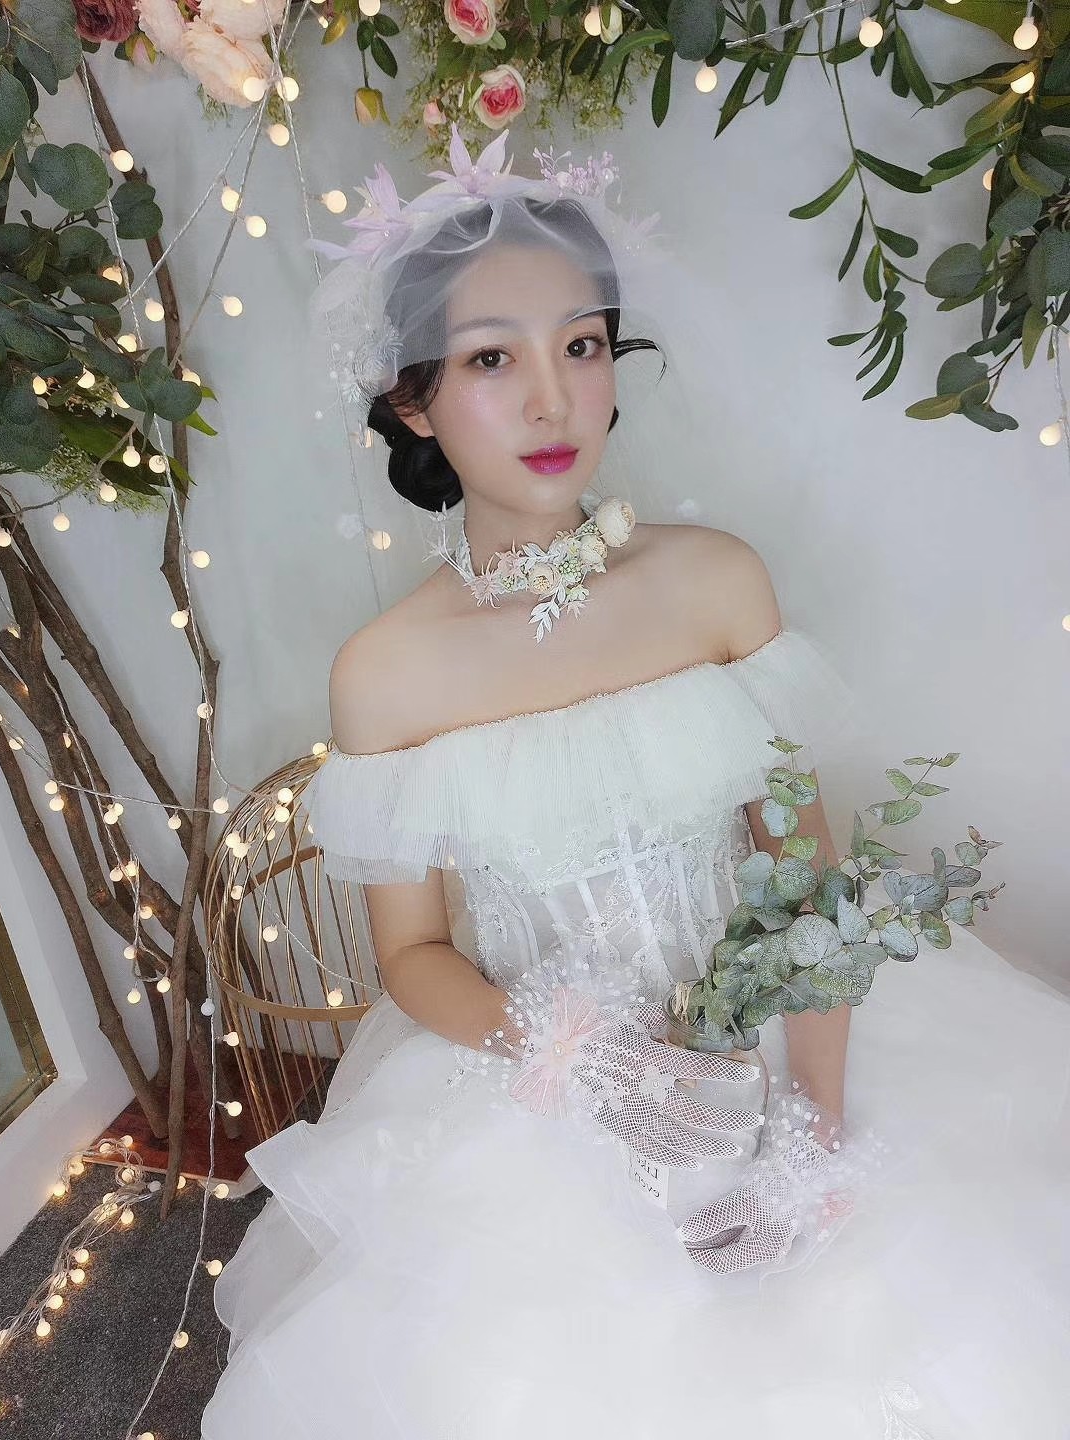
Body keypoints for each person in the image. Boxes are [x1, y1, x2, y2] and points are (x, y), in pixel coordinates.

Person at [201, 128, 1070, 1438]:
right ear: (412, 401)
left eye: (583, 344)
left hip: (792, 1041)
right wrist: (597, 1066)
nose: (553, 401)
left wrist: (811, 1129)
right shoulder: (384, 673)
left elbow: (808, 877)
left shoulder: (717, 580)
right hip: (546, 1085)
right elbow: (415, 957)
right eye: (491, 358)